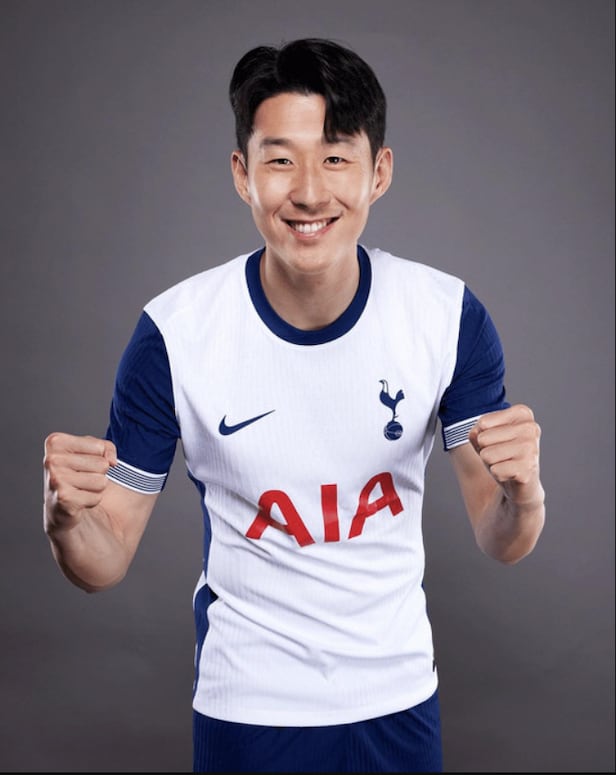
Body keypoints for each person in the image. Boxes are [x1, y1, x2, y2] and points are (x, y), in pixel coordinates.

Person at [43, 38, 546, 773]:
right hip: (249, 709)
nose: (310, 192)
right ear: (242, 175)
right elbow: (104, 559)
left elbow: (500, 536)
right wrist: (65, 521)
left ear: (380, 172)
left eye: (336, 157)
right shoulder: (176, 333)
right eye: (280, 160)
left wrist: (526, 497)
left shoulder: (447, 315)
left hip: (398, 699)